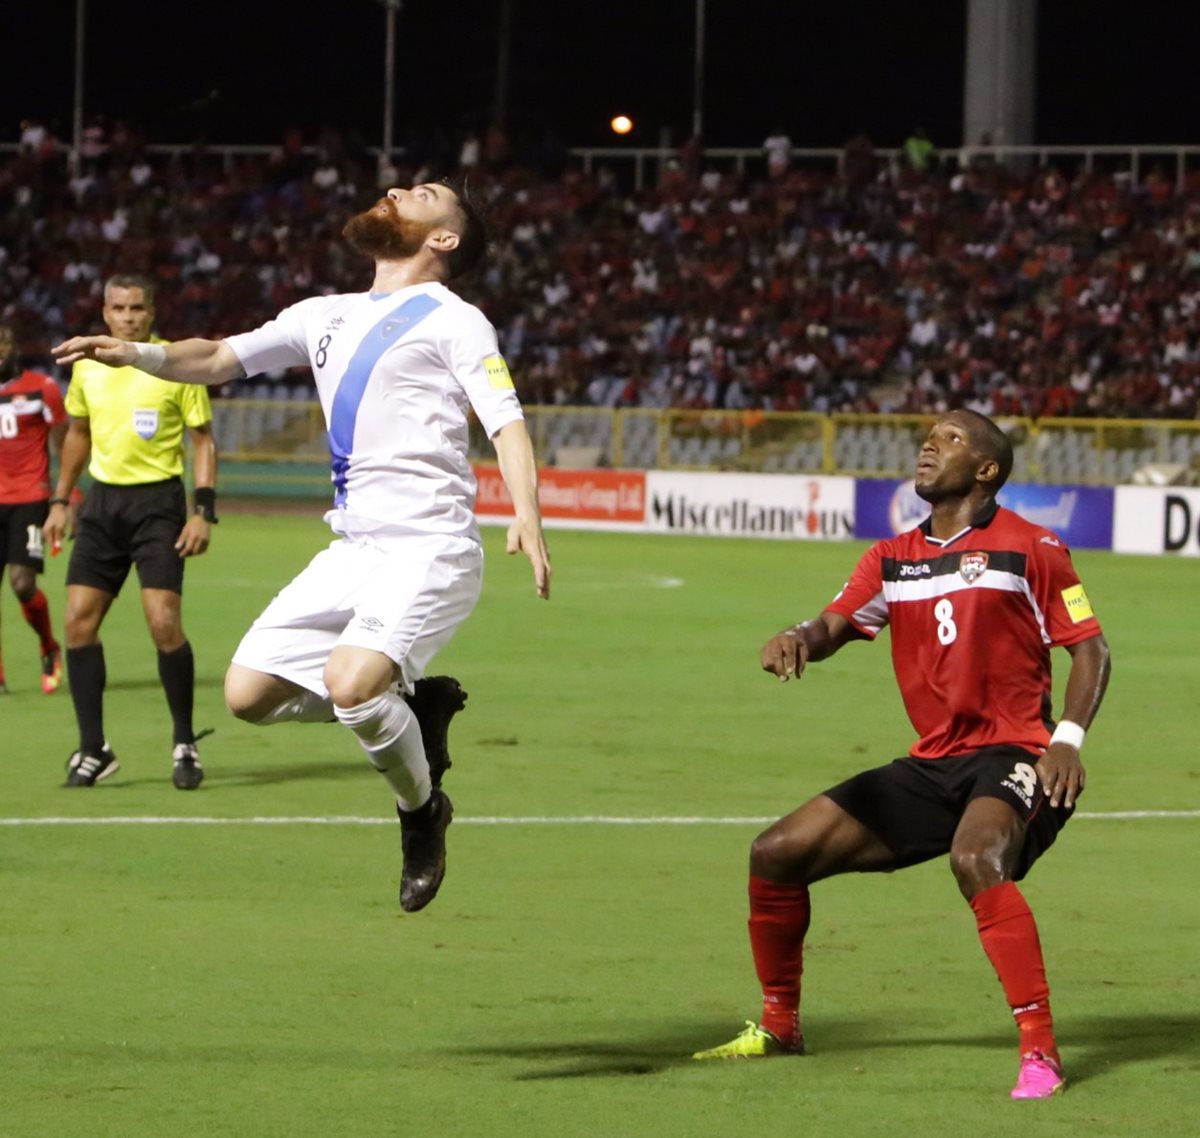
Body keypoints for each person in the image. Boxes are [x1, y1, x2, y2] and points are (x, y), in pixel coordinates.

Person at [54, 179, 551, 914]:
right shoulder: (325, 313)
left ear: (442, 238)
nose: (395, 189)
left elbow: (504, 420)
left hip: (428, 546)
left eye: (421, 192)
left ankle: (421, 814)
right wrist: (135, 353)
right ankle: (409, 709)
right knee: (248, 695)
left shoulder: (457, 320)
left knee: (351, 683)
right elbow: (220, 358)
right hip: (351, 548)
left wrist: (528, 514)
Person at [693, 410, 1111, 1100]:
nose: (928, 444)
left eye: (949, 438)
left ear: (985, 470)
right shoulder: (890, 557)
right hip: (932, 764)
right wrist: (799, 636)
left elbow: (1090, 648)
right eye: (928, 435)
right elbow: (834, 624)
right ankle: (779, 1026)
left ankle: (1041, 1052)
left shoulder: (1033, 546)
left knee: (976, 858)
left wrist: (1066, 739)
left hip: (1016, 752)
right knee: (775, 853)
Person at [44, 274, 218, 790]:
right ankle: (93, 748)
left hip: (158, 505)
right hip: (102, 505)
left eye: (137, 308)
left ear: (151, 311)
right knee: (77, 622)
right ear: (105, 313)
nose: (127, 316)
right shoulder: (88, 368)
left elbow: (203, 441)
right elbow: (77, 433)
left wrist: (201, 511)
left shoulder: (174, 364)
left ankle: (184, 740)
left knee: (163, 623)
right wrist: (61, 500)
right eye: (118, 308)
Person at [0, 321, 66, 695]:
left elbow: (63, 441)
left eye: (4, 343)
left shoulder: (42, 389)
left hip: (29, 497)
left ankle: (48, 646)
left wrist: (63, 498)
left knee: (22, 583)